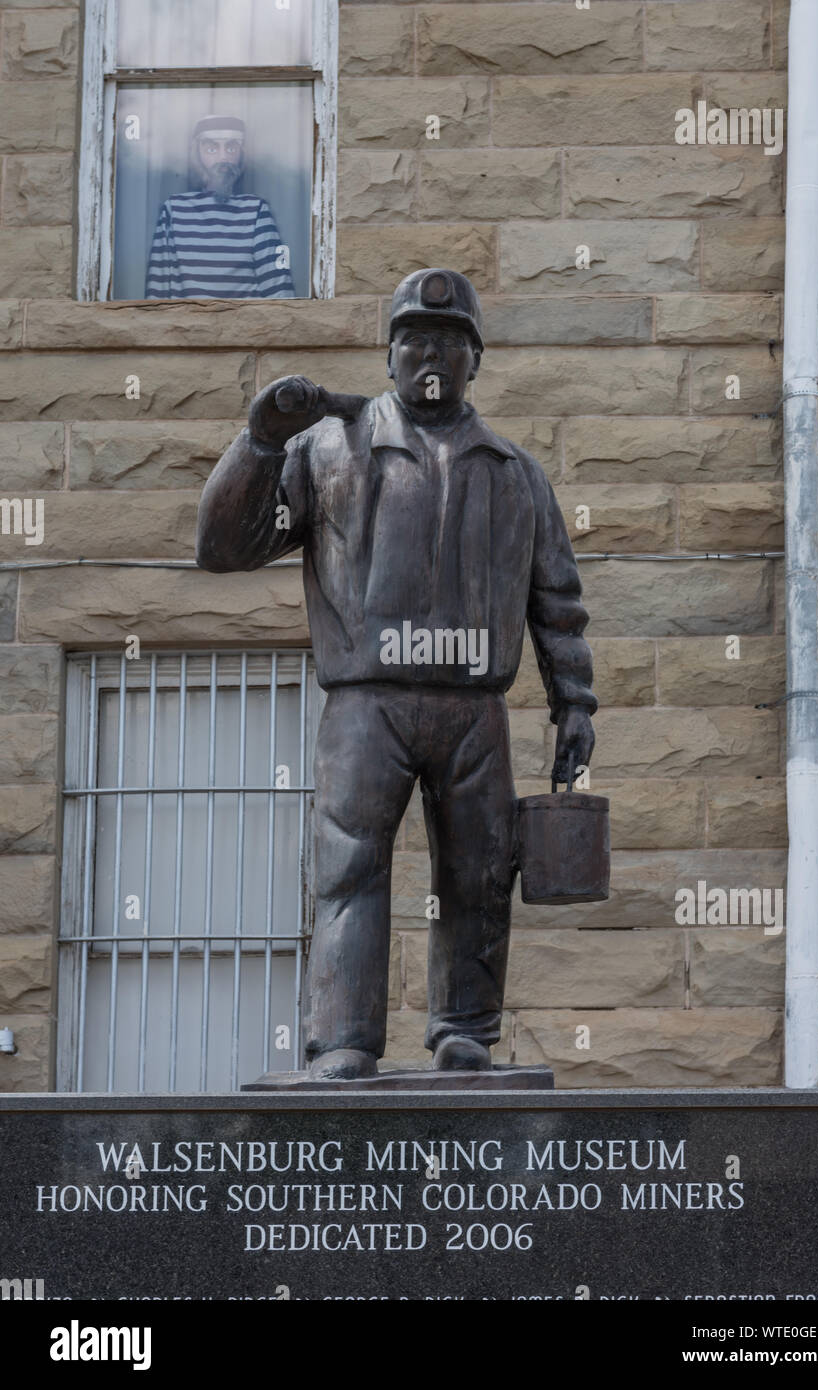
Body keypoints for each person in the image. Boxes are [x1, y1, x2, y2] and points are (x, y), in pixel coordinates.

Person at [196, 268, 597, 1080]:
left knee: (478, 873)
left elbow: (556, 600)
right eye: (415, 339)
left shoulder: (515, 473)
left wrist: (575, 703)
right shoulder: (325, 448)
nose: (432, 355)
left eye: (450, 342)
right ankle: (342, 1038)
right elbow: (223, 548)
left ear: (474, 360)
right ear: (388, 355)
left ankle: (464, 1031)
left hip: (474, 706)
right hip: (365, 703)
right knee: (348, 866)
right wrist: (260, 441)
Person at [145, 115, 295, 299]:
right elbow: (158, 289)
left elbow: (278, 289)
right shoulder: (174, 208)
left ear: (241, 154)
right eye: (211, 148)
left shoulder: (255, 209)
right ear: (197, 154)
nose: (223, 157)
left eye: (231, 148)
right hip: (185, 323)